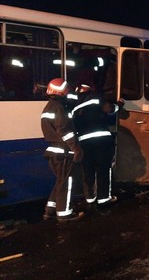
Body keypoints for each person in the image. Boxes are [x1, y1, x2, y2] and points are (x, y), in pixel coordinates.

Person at [40, 78, 84, 222]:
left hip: (54, 151)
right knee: (67, 183)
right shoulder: (59, 108)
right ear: (63, 92)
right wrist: (76, 148)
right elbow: (65, 131)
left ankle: (50, 209)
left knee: (61, 181)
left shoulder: (48, 107)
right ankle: (65, 213)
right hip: (64, 152)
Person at [72, 84, 119, 209]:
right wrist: (119, 105)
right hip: (101, 142)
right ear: (89, 92)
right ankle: (104, 198)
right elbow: (110, 109)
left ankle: (90, 198)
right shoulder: (96, 100)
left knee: (88, 171)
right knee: (103, 169)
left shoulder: (74, 109)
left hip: (84, 144)